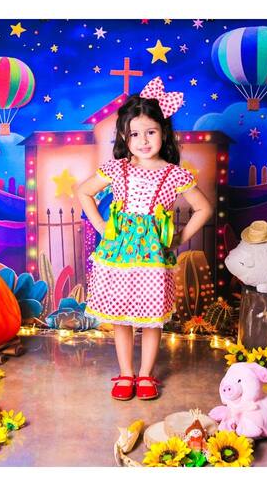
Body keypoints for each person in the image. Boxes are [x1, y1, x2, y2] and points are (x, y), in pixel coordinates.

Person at [76, 76, 214, 401]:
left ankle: (146, 374)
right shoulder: (117, 169)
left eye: (150, 132)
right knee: (121, 316)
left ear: (163, 132)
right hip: (119, 254)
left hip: (153, 257)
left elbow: (204, 208)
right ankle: (126, 373)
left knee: (152, 319)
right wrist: (102, 227)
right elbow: (83, 192)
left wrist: (179, 238)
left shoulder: (173, 173)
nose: (143, 140)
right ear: (125, 136)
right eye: (135, 134)